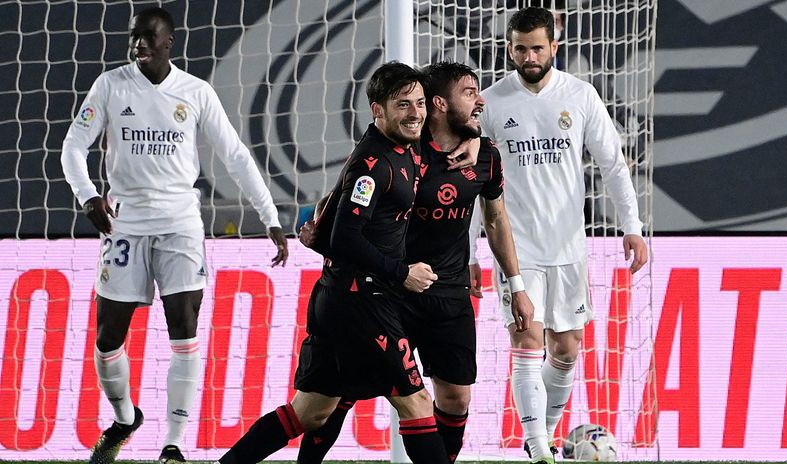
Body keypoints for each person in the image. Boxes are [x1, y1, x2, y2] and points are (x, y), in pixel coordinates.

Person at [60, 7, 288, 464]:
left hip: (181, 224)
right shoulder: (110, 85)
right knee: (108, 338)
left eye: (148, 37)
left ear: (169, 43)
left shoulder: (195, 93)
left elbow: (236, 156)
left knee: (184, 329)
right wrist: (87, 196)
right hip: (124, 223)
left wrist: (270, 216)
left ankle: (174, 444)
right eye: (134, 37)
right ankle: (126, 419)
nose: (138, 44)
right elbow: (73, 145)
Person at [295, 61, 535, 464]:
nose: (480, 101)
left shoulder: (484, 155)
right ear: (440, 103)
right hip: (391, 290)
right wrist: (318, 220)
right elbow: (349, 186)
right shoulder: (404, 144)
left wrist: (516, 286)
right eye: (469, 92)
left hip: (449, 292)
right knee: (345, 390)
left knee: (455, 397)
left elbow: (496, 219)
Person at [216, 61, 455, 464]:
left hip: (343, 300)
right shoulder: (373, 166)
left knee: (310, 411)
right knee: (416, 404)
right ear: (377, 110)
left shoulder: (402, 148)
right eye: (403, 105)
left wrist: (318, 227)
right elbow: (347, 237)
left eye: (419, 103)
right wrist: (403, 273)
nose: (415, 114)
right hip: (362, 302)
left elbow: (336, 220)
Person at [472, 7, 649, 464]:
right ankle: (537, 451)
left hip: (568, 245)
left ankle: (544, 438)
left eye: (536, 47)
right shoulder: (490, 103)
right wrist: (472, 249)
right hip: (515, 248)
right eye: (519, 48)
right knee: (527, 338)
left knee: (566, 349)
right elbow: (475, 183)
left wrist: (631, 227)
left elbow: (612, 164)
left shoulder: (580, 95)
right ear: (508, 48)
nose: (528, 56)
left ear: (554, 45)